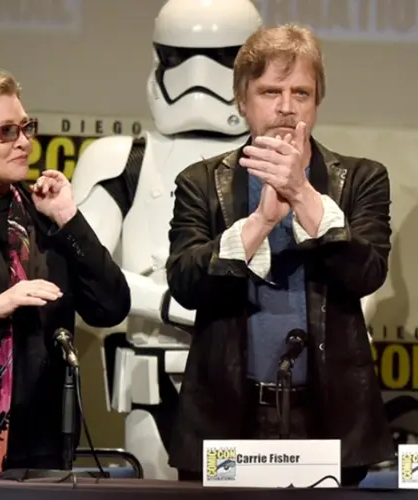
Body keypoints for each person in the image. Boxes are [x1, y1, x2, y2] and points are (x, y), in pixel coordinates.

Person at [165, 24, 394, 485]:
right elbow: (187, 284)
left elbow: (367, 272)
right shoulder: (200, 182)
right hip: (227, 417)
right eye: (271, 91)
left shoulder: (363, 178)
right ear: (242, 100)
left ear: (317, 102)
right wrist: (261, 223)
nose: (287, 107)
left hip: (328, 419)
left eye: (301, 93)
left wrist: (302, 194)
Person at [70, 0, 263, 480]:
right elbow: (82, 271)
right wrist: (168, 302)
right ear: (159, 58)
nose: (198, 76)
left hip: (256, 373)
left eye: (222, 57)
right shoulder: (123, 160)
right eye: (179, 57)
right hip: (155, 373)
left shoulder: (279, 159)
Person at [0, 71, 131, 478]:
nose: (23, 141)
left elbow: (110, 306)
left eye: (26, 127)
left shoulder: (42, 215)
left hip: (39, 446)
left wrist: (69, 219)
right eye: (5, 131)